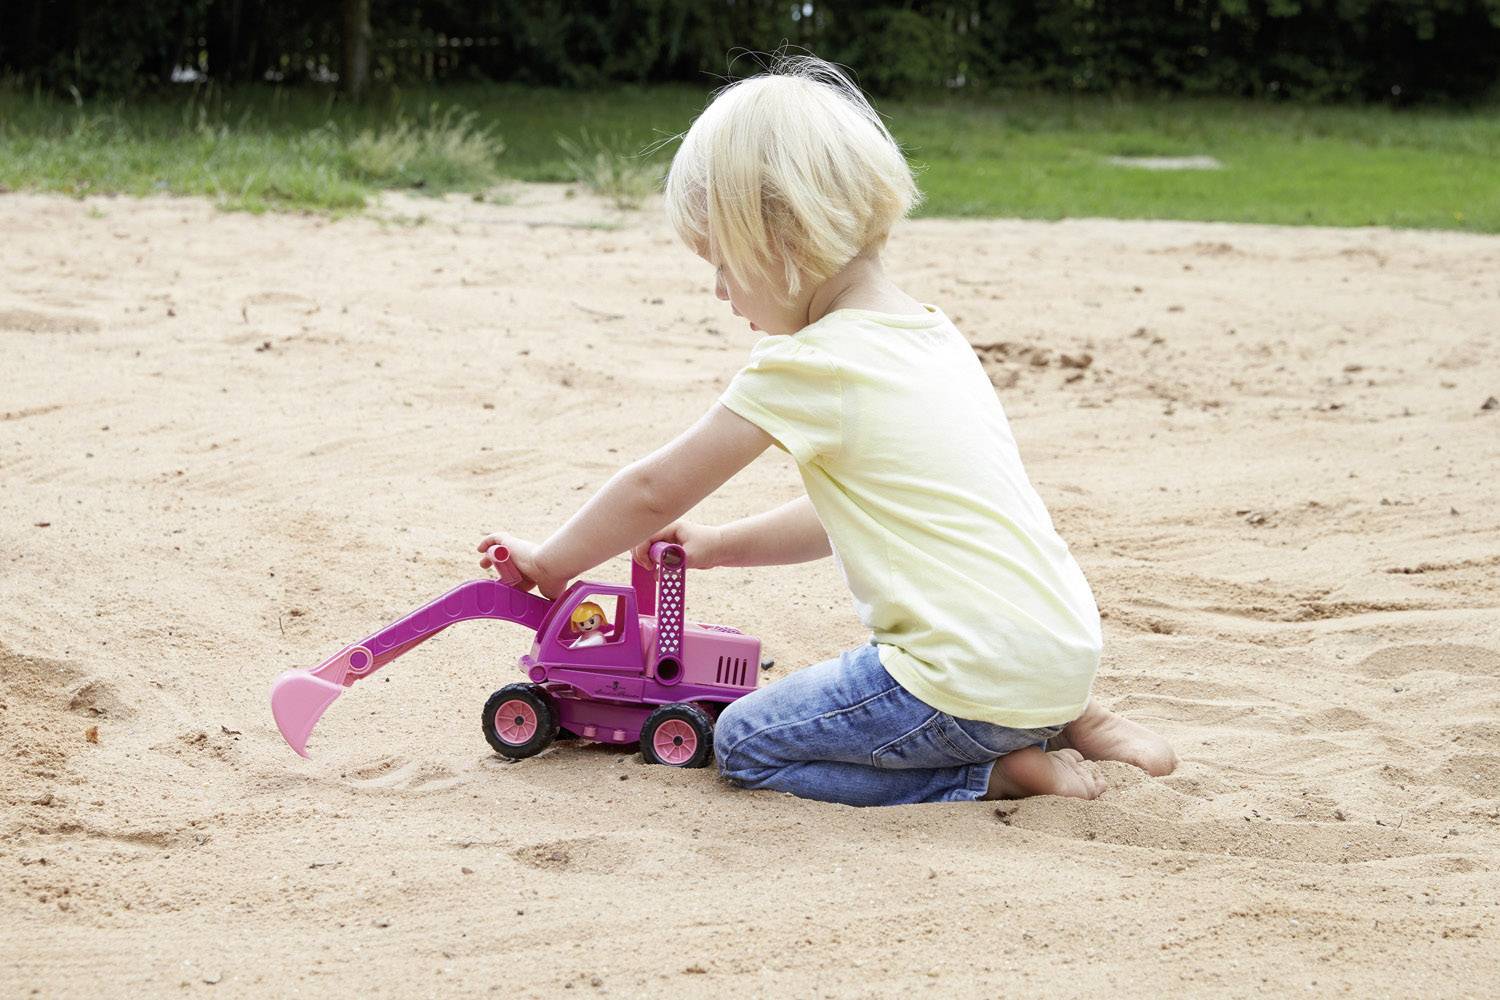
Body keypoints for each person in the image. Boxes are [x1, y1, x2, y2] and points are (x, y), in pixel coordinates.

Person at [477, 54, 1176, 806]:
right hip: (1056, 656)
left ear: (777, 237)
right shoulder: (930, 336)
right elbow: (850, 511)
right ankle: (1073, 719)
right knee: (983, 666)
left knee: (744, 741)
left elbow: (655, 488)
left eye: (722, 264)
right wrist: (718, 545)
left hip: (959, 684)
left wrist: (550, 560)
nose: (719, 292)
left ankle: (992, 773)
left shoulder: (812, 362)